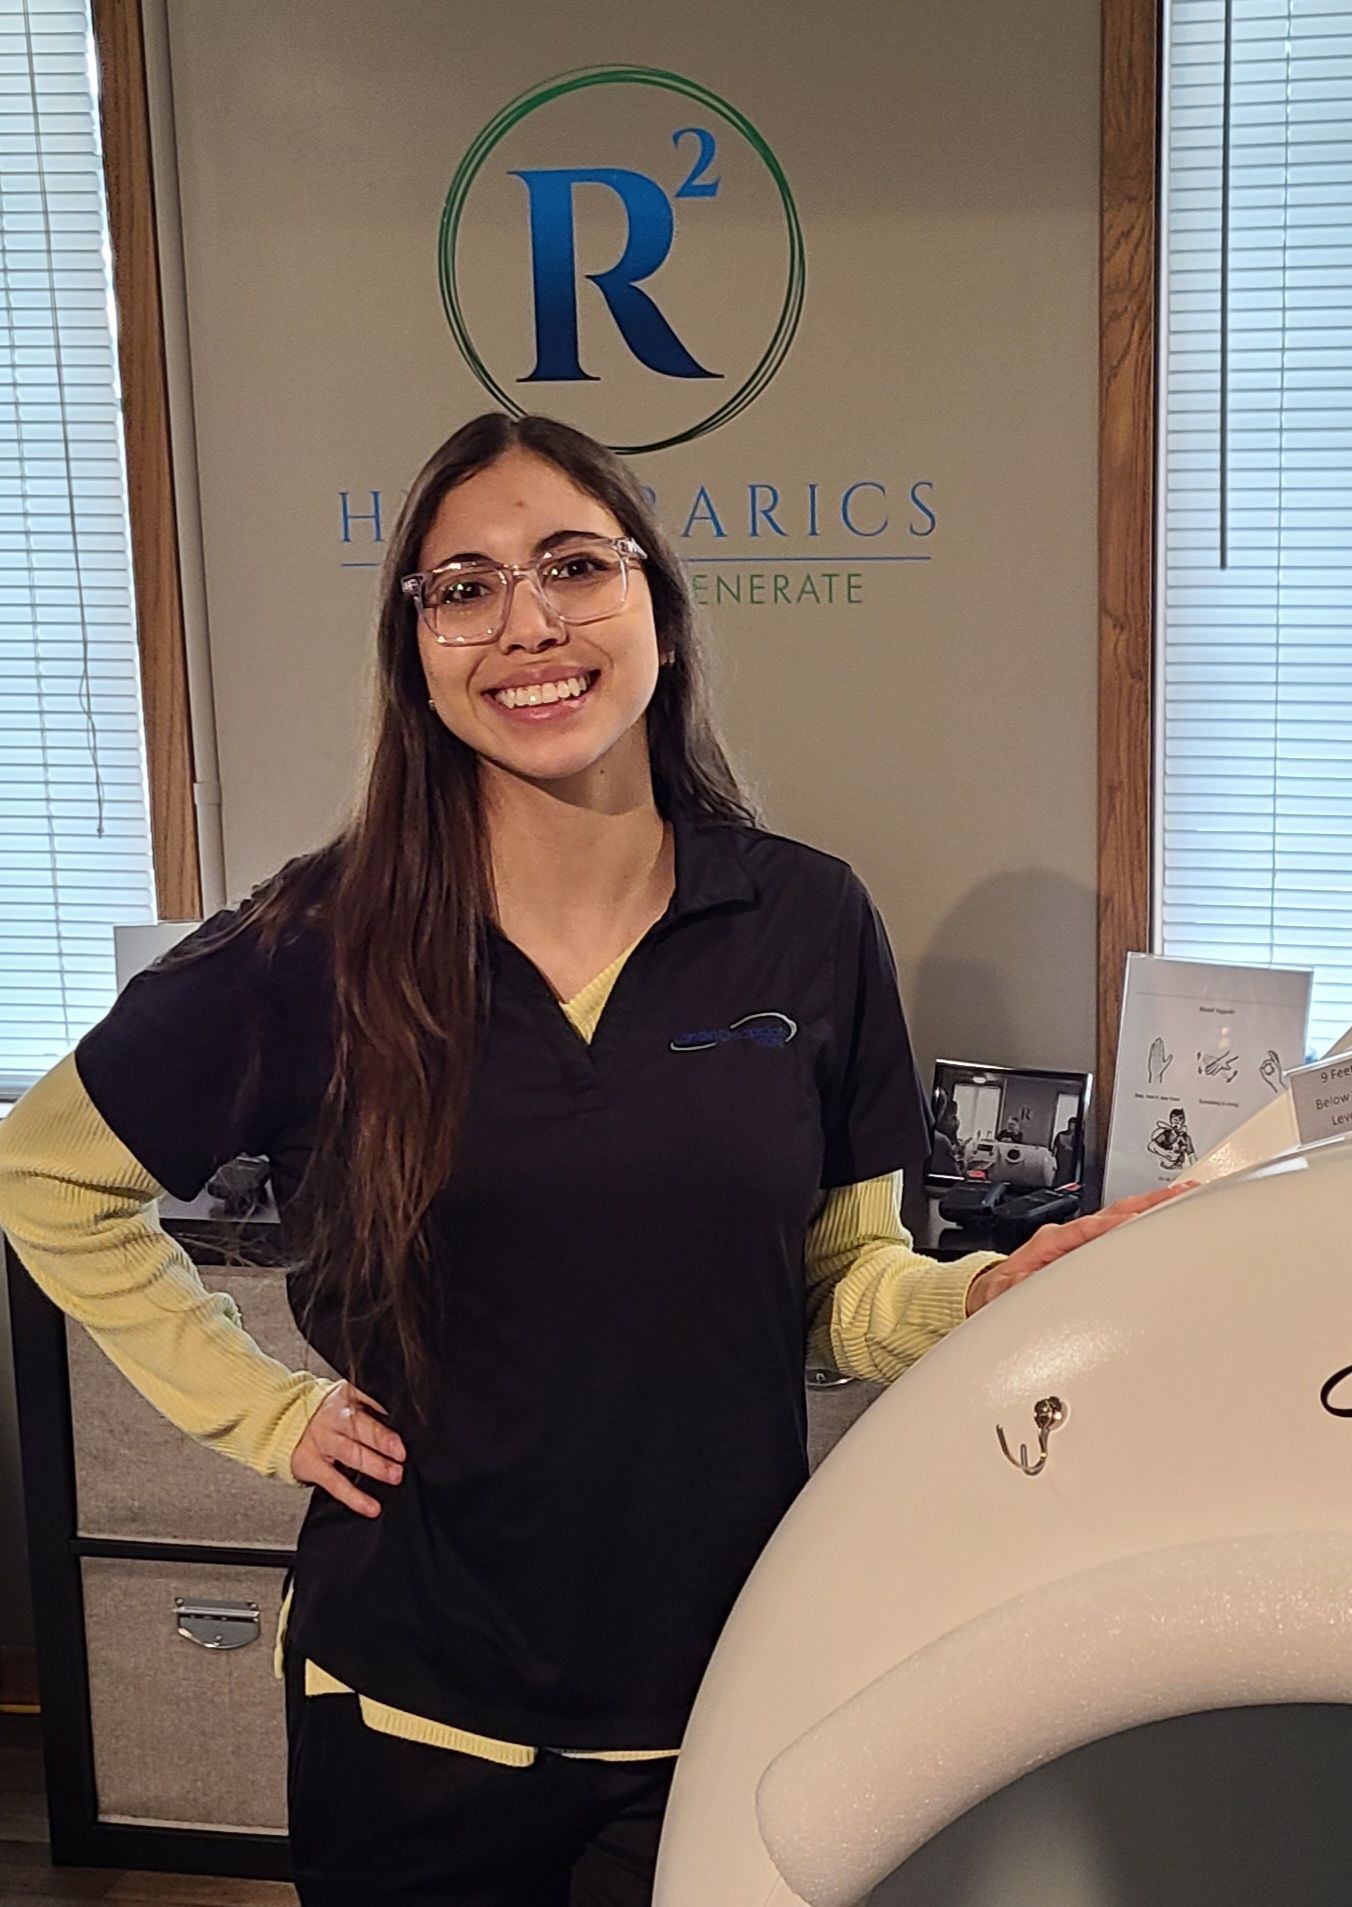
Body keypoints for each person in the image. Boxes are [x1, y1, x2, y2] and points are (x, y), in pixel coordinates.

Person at [0, 412, 1183, 1906]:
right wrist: (259, 1414)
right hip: (412, 1710)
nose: (527, 624)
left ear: (658, 616)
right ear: (417, 650)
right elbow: (46, 1177)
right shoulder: (322, 942)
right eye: (464, 586)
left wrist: (979, 1298)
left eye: (572, 565)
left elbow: (838, 1280)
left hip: (717, 1702)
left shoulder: (807, 923)